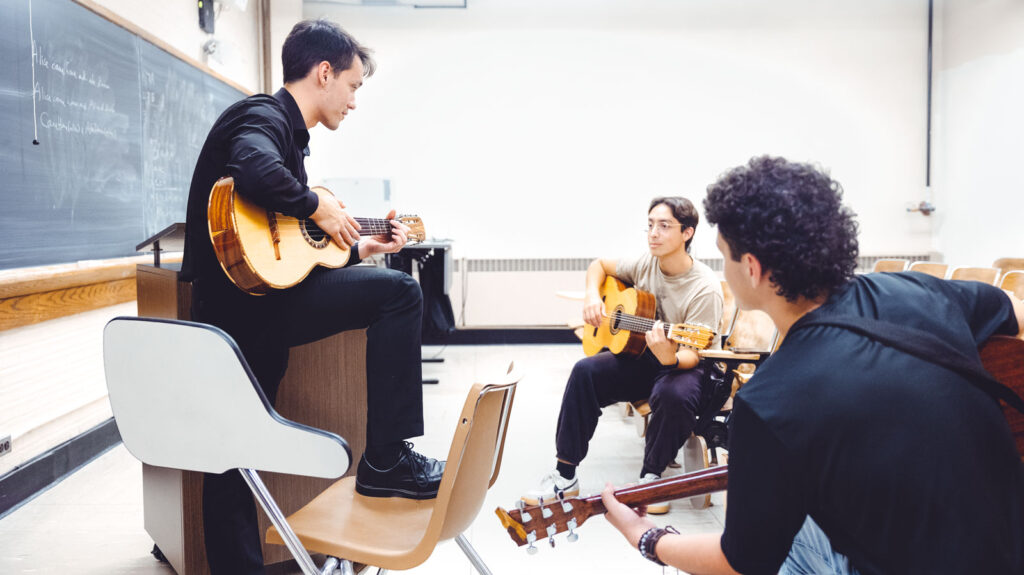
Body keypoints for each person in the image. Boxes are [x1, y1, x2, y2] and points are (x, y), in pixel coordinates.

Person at [602, 156, 1024, 574]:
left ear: (751, 268)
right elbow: (1015, 311)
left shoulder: (770, 400)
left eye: (723, 256)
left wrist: (649, 538)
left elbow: (740, 560)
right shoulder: (916, 290)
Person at [180, 20, 443, 575]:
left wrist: (361, 248)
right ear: (324, 73)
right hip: (246, 307)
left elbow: (297, 253)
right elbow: (253, 167)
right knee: (400, 295)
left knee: (237, 441)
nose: (353, 102)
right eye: (352, 87)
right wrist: (317, 206)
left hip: (258, 304)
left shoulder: (291, 139)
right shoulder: (263, 116)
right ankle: (387, 458)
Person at [523, 197, 723, 515]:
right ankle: (565, 475)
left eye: (664, 226)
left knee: (672, 394)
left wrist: (669, 357)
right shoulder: (645, 263)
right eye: (650, 225)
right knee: (585, 372)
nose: (653, 233)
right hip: (644, 356)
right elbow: (599, 266)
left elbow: (694, 354)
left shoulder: (704, 288)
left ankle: (652, 478)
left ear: (687, 232)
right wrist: (592, 296)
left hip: (685, 364)